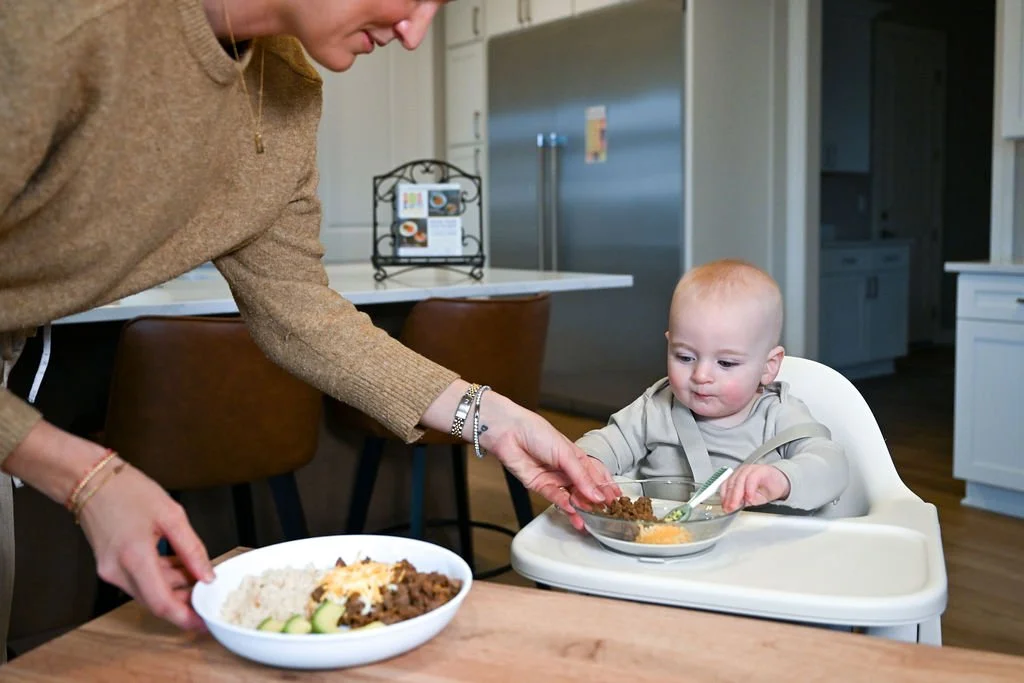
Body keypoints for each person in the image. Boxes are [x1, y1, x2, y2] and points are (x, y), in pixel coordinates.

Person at [0, 0, 617, 651]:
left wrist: (493, 418)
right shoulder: (63, 26)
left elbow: (299, 310)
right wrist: (86, 477)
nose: (414, 34)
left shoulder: (287, 90)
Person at [575, 259, 848, 514]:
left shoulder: (778, 415)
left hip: (756, 545)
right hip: (665, 541)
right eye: (685, 357)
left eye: (726, 363)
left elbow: (832, 466)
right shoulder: (656, 408)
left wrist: (784, 478)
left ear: (768, 366)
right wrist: (590, 462)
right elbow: (605, 443)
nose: (701, 375)